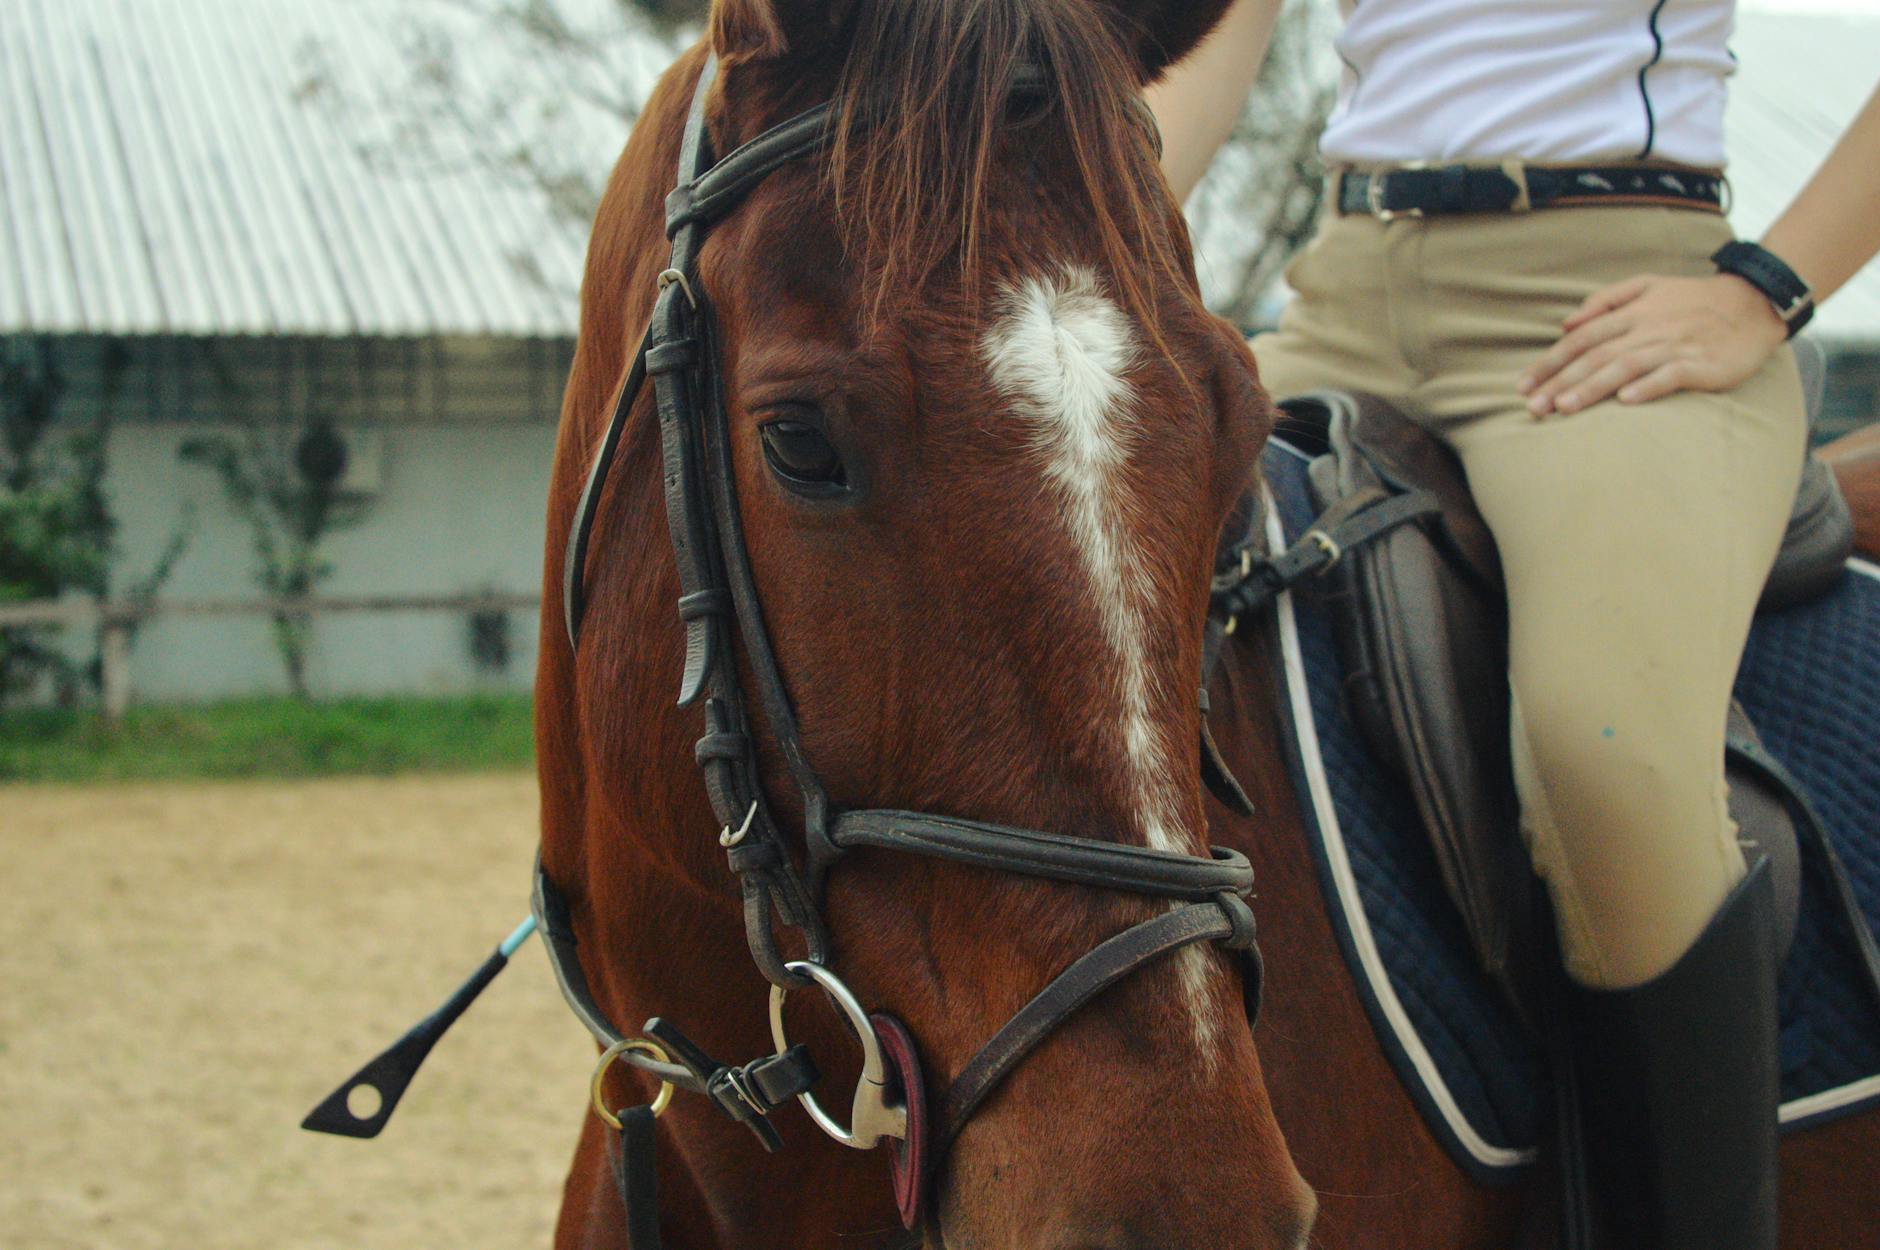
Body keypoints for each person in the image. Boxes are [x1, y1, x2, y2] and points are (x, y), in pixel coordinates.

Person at [1147, 4, 1880, 1247]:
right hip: (1341, 297)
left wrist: (1766, 287)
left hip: (1606, 309)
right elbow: (1189, 75)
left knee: (1606, 752)